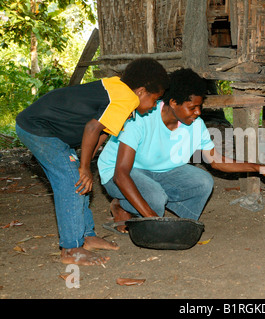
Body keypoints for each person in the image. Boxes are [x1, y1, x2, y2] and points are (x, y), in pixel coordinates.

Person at [15, 58, 169, 266]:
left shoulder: (120, 91)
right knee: (73, 183)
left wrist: (83, 164)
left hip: (44, 127)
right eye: (155, 98)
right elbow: (91, 128)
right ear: (141, 91)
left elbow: (102, 133)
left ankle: (86, 236)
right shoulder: (126, 98)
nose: (153, 106)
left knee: (79, 179)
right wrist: (85, 167)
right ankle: (71, 249)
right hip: (39, 128)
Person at [97, 68, 265, 233]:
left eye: (200, 107)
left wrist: (261, 169)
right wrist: (156, 221)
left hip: (158, 171)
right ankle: (122, 206)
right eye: (192, 107)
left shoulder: (195, 125)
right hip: (119, 172)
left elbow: (217, 161)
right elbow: (121, 174)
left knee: (203, 182)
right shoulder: (142, 117)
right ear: (173, 102)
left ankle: (181, 222)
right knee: (155, 198)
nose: (198, 112)